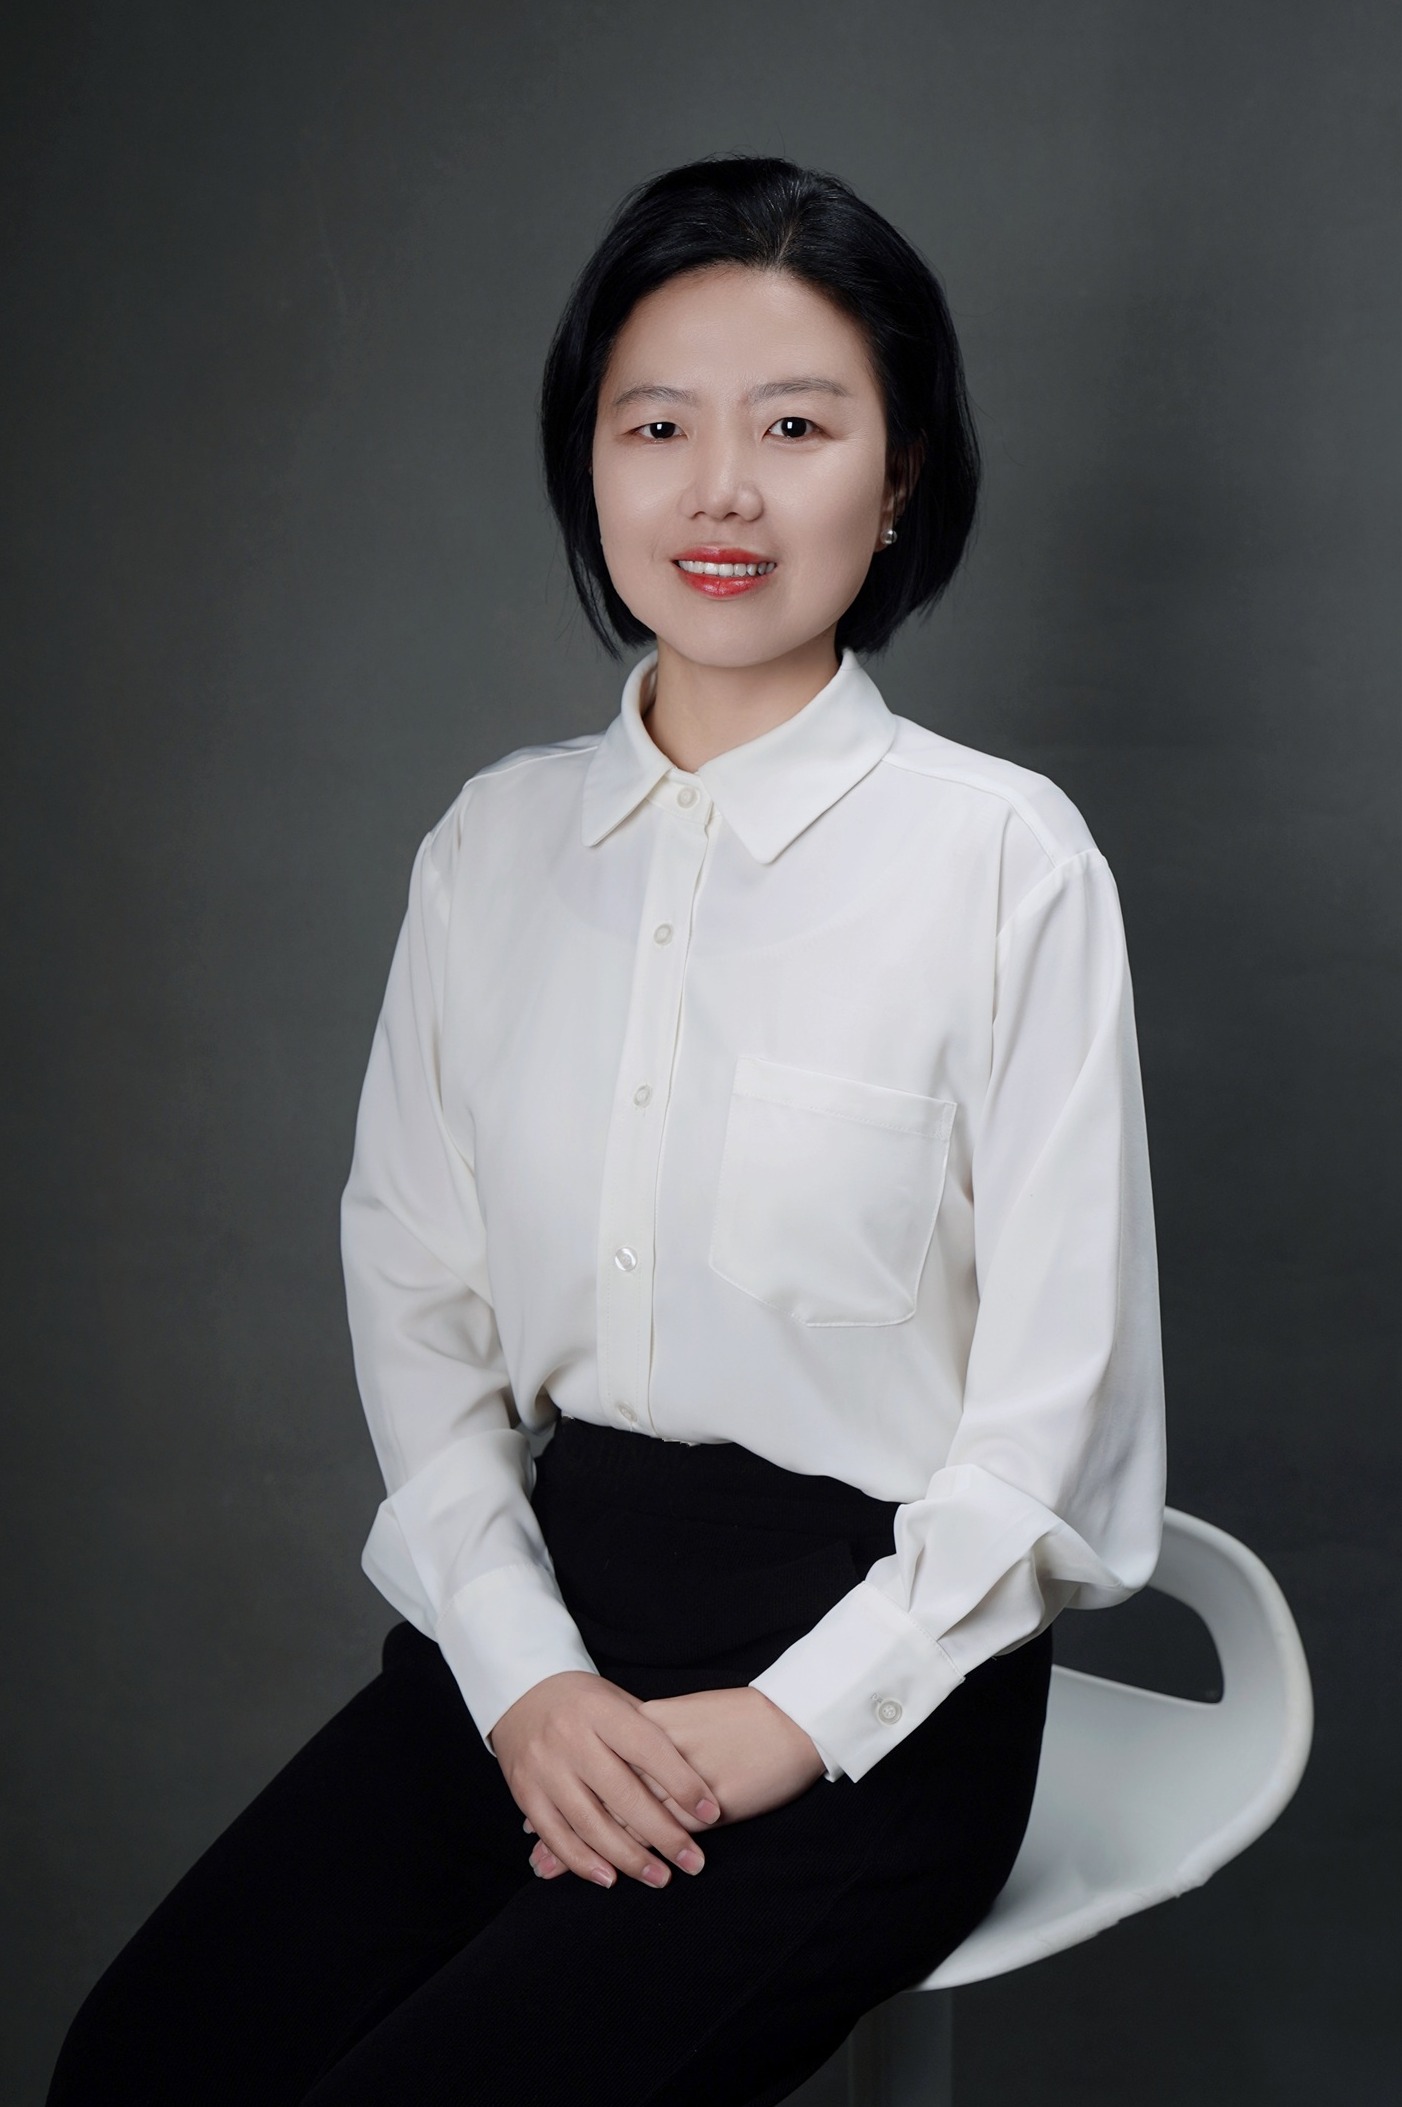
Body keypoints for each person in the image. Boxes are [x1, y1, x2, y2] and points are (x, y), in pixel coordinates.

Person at [48, 154, 1166, 2106]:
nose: (718, 490)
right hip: (543, 1623)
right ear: (590, 460)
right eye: (657, 427)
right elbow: (418, 1309)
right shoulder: (489, 848)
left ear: (897, 474)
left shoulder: (1003, 863)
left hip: (880, 1681)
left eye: (794, 428)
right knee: (139, 2064)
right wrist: (523, 1677)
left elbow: (1051, 1420)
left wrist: (790, 1721)